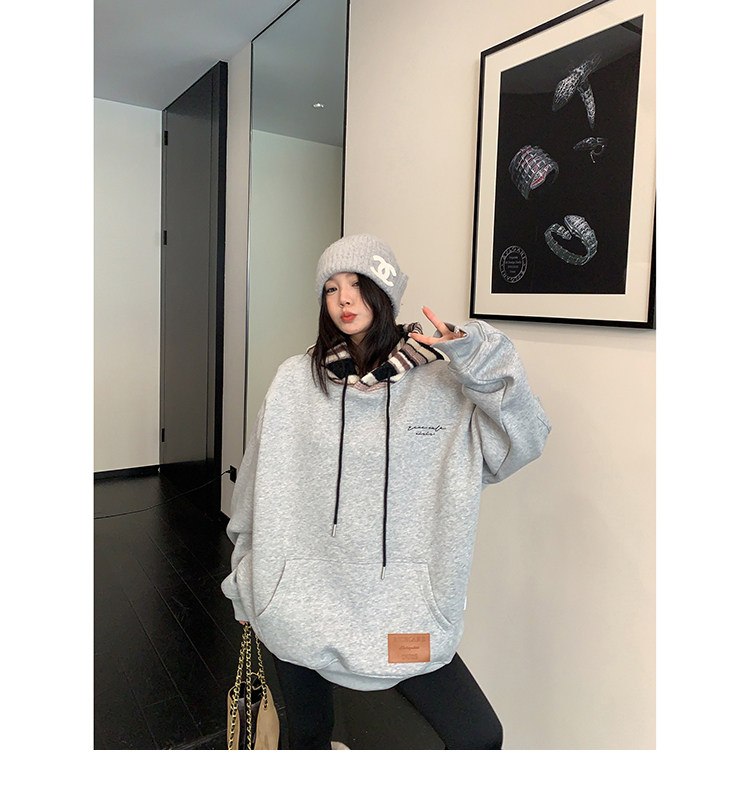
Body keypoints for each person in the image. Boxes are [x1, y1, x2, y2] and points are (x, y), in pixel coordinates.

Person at [221, 233, 550, 749]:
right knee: (308, 735)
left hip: (403, 614)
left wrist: (479, 361)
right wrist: (244, 573)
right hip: (298, 605)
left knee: (479, 736)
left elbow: (521, 443)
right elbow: (256, 481)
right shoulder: (294, 381)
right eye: (331, 288)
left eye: (358, 284)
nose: (344, 299)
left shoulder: (444, 382)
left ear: (387, 293)